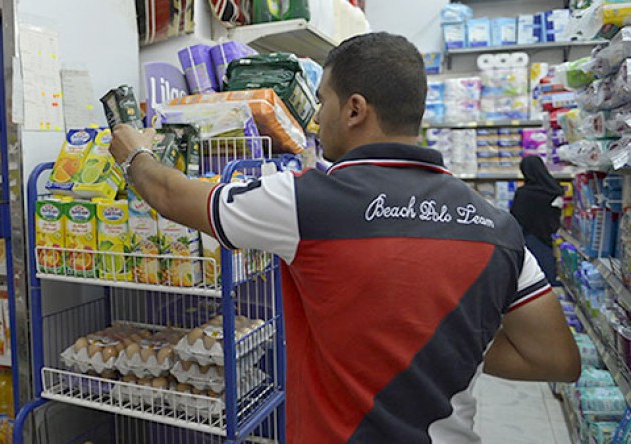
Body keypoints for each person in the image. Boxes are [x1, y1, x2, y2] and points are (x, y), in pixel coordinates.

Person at [110, 32, 580, 443]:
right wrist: (449, 345)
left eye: (322, 101)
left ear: (355, 109)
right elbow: (556, 358)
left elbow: (170, 194)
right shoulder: (498, 228)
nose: (316, 118)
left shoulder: (307, 202)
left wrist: (134, 153)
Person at [510, 156, 565, 284]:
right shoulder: (554, 190)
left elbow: (516, 219)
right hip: (551, 239)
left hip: (530, 240)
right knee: (549, 276)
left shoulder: (523, 193)